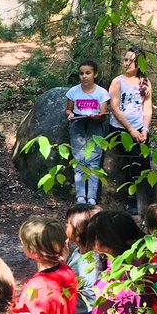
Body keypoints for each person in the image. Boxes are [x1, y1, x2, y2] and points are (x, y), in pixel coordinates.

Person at [106, 45, 154, 215]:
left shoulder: (145, 82)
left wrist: (145, 129)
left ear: (138, 64)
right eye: (125, 60)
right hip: (121, 128)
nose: (125, 63)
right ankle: (131, 198)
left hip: (140, 127)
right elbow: (114, 108)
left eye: (130, 61)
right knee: (134, 156)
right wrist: (131, 129)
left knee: (144, 159)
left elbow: (147, 107)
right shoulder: (117, 82)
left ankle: (147, 198)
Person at [64, 60, 110, 205]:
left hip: (95, 126)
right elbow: (68, 110)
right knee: (79, 161)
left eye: (88, 73)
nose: (84, 76)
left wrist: (98, 116)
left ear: (95, 74)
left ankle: (91, 197)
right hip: (77, 124)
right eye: (81, 73)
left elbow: (103, 115)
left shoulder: (101, 93)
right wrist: (70, 114)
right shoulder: (73, 91)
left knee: (93, 162)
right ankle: (80, 197)